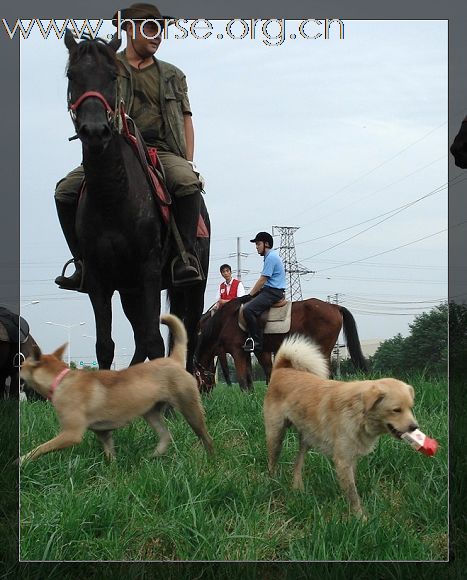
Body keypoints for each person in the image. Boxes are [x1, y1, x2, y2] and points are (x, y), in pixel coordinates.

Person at [54, 3, 204, 291]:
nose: (157, 35)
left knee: (187, 183)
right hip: (116, 149)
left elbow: (186, 119)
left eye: (160, 29)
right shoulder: (108, 66)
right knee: (63, 193)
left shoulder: (174, 74)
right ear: (128, 29)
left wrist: (188, 160)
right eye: (150, 28)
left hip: (161, 150)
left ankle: (185, 257)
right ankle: (81, 262)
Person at [239, 232, 286, 352]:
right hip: (270, 290)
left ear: (266, 244)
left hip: (273, 292)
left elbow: (262, 280)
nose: (256, 247)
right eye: (256, 244)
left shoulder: (271, 257)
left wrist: (249, 295)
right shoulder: (270, 256)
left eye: (258, 244)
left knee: (248, 310)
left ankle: (257, 342)